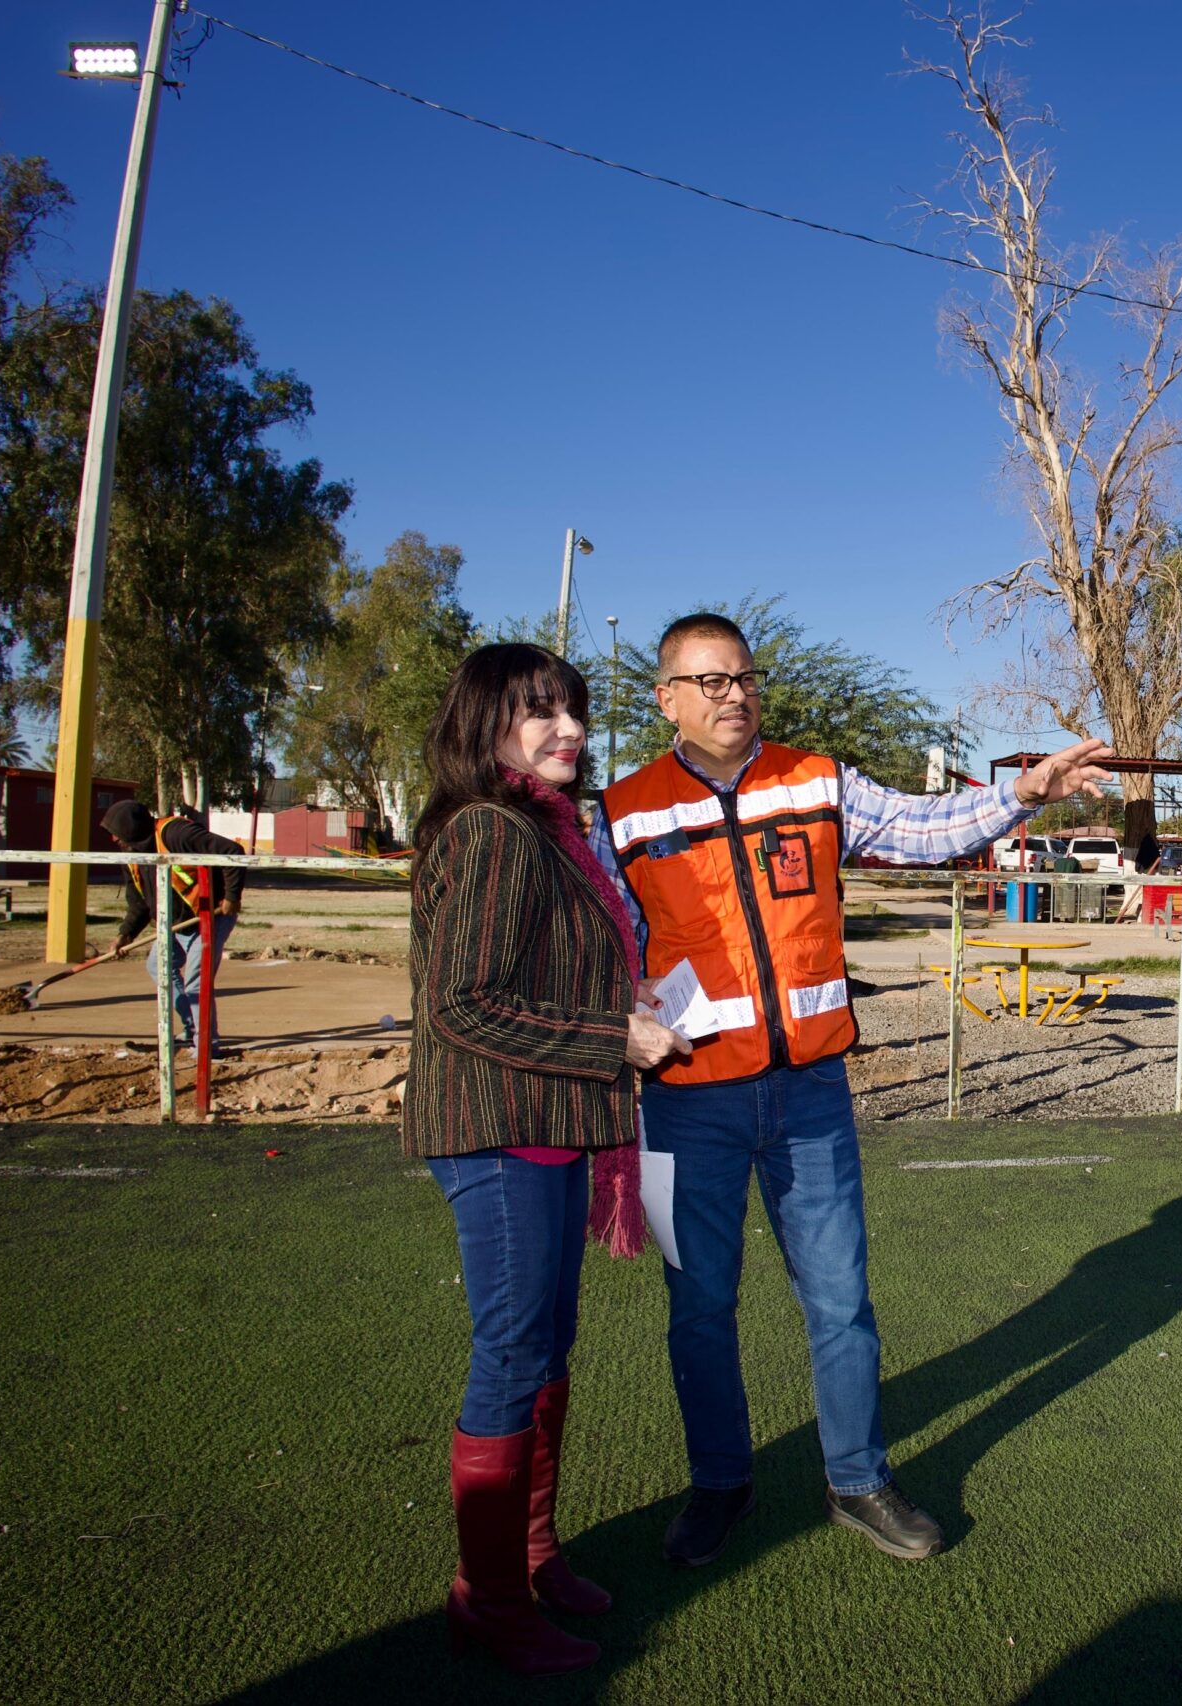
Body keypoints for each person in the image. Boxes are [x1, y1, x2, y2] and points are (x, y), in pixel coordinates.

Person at [591, 611, 1112, 1568]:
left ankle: (858, 1479)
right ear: (666, 698)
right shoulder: (623, 811)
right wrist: (618, 1016)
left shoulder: (815, 779)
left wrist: (1024, 793)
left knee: (840, 1300)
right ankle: (719, 1484)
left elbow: (924, 828)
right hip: (683, 1103)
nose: (734, 695)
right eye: (709, 682)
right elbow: (599, 945)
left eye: (743, 677)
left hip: (810, 1098)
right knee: (698, 1307)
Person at [402, 642, 691, 1676]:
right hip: (499, 1127)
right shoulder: (489, 830)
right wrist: (611, 1038)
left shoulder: (546, 830)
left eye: (572, 710)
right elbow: (462, 1003)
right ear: (488, 725)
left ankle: (530, 1555)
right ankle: (490, 1597)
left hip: (549, 1121)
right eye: (540, 713)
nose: (567, 728)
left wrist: (622, 1007)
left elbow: (536, 977)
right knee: (514, 1355)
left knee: (546, 1351)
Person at [101, 800, 244, 1054]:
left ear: (131, 827)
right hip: (175, 924)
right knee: (159, 966)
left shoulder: (175, 833)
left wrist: (232, 897)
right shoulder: (132, 855)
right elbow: (139, 904)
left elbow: (232, 851)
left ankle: (206, 1048)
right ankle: (193, 1029)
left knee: (196, 984)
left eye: (116, 831)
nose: (113, 838)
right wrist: (125, 934)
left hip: (209, 916)